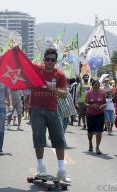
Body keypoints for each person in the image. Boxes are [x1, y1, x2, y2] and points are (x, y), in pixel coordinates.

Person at [30, 48, 70, 182]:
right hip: (36, 109)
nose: (50, 62)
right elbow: (23, 64)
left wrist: (54, 89)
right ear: (44, 59)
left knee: (59, 140)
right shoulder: (36, 69)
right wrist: (17, 51)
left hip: (52, 110)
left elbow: (64, 94)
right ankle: (41, 168)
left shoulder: (60, 75)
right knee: (39, 138)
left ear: (55, 61)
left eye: (53, 60)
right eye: (48, 59)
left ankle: (62, 170)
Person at [85, 79, 106, 154]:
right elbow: (86, 104)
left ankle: (97, 147)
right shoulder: (89, 93)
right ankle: (90, 143)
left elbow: (105, 103)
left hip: (100, 114)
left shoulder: (102, 93)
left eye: (98, 85)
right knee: (90, 131)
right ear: (92, 86)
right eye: (95, 85)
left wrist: (102, 106)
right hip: (90, 114)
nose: (97, 87)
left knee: (99, 131)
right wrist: (91, 105)